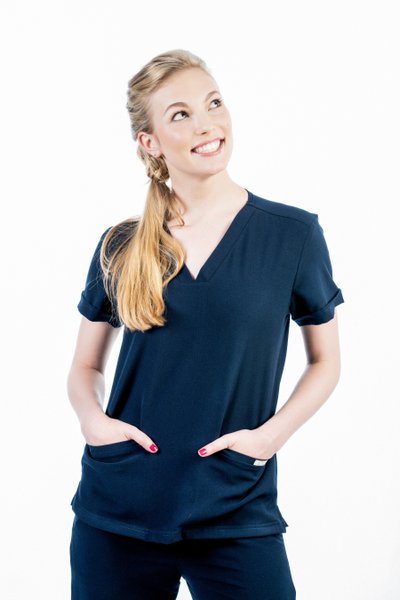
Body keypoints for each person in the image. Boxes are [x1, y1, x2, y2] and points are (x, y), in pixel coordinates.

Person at [68, 48, 345, 599]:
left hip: (235, 505)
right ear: (149, 143)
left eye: (213, 103)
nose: (207, 123)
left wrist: (269, 439)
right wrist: (93, 422)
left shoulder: (292, 235)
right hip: (119, 506)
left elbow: (326, 361)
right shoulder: (121, 245)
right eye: (180, 114)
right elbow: (84, 365)